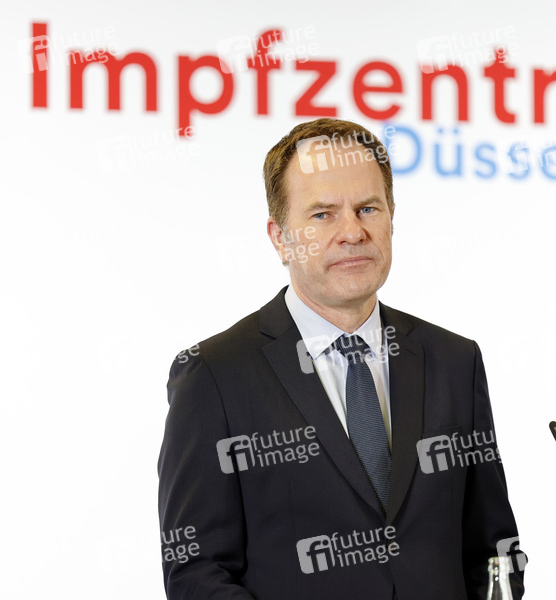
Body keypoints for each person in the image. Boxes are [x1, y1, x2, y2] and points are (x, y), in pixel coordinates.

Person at [158, 118, 526, 599]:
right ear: (279, 237)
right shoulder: (214, 375)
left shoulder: (455, 361)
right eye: (323, 214)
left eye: (368, 208)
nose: (353, 232)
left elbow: (494, 554)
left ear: (391, 217)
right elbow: (197, 572)